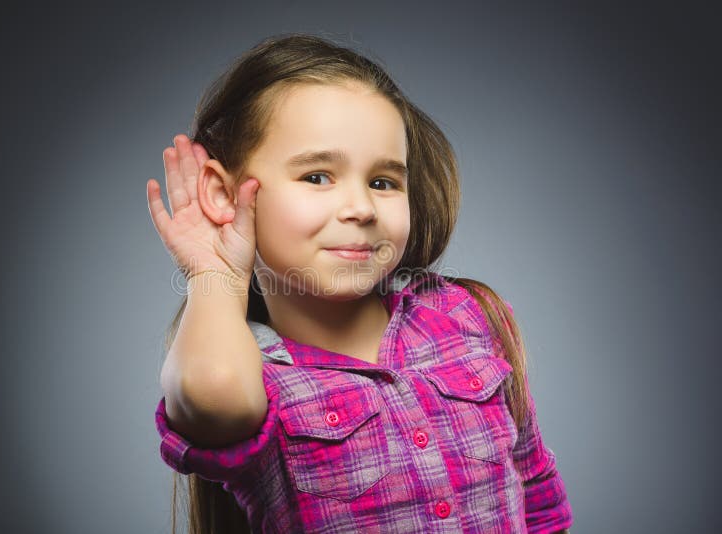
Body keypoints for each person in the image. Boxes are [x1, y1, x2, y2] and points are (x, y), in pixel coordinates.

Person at [146, 33, 573, 534]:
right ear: (223, 192)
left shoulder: (467, 314)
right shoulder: (251, 375)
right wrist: (215, 273)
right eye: (318, 176)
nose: (362, 208)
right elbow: (214, 391)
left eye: (383, 182)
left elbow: (537, 495)